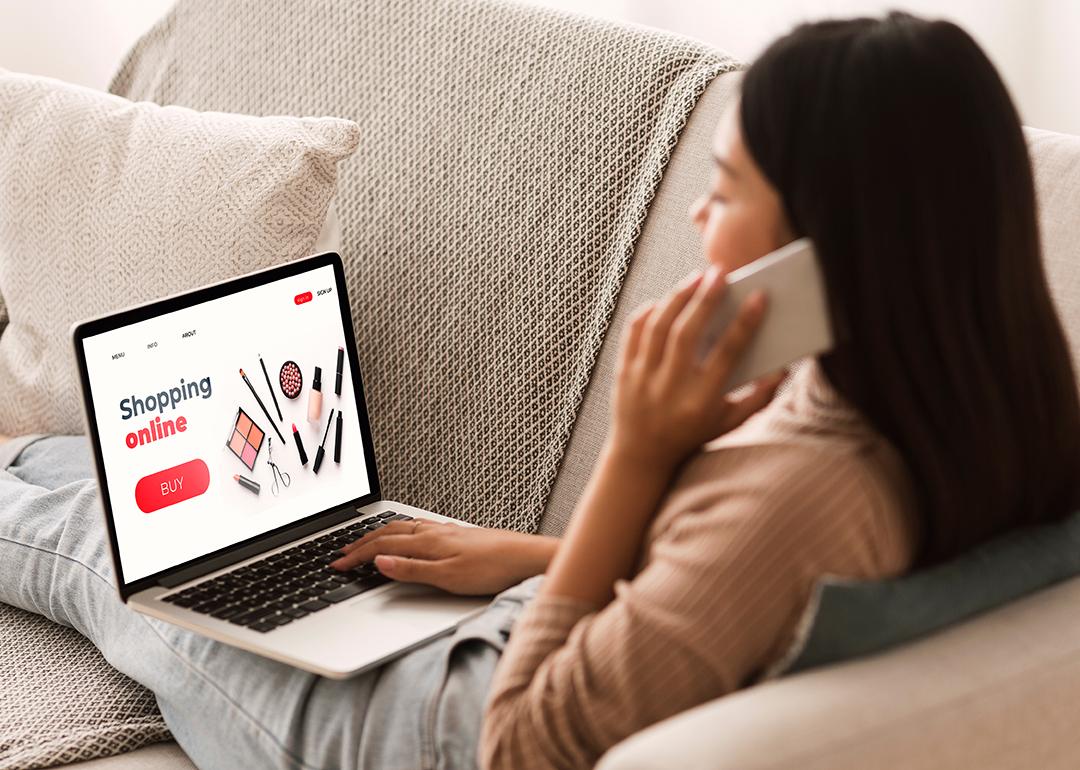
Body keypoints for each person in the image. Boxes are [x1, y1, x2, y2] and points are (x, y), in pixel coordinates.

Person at [1, 11, 1077, 770]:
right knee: (198, 518)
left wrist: (638, 455)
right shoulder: (967, 404)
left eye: (728, 187)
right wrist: (532, 554)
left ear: (828, 237)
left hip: (417, 733)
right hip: (534, 625)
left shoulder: (802, 484)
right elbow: (738, 590)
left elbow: (519, 748)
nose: (702, 220)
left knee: (114, 546)